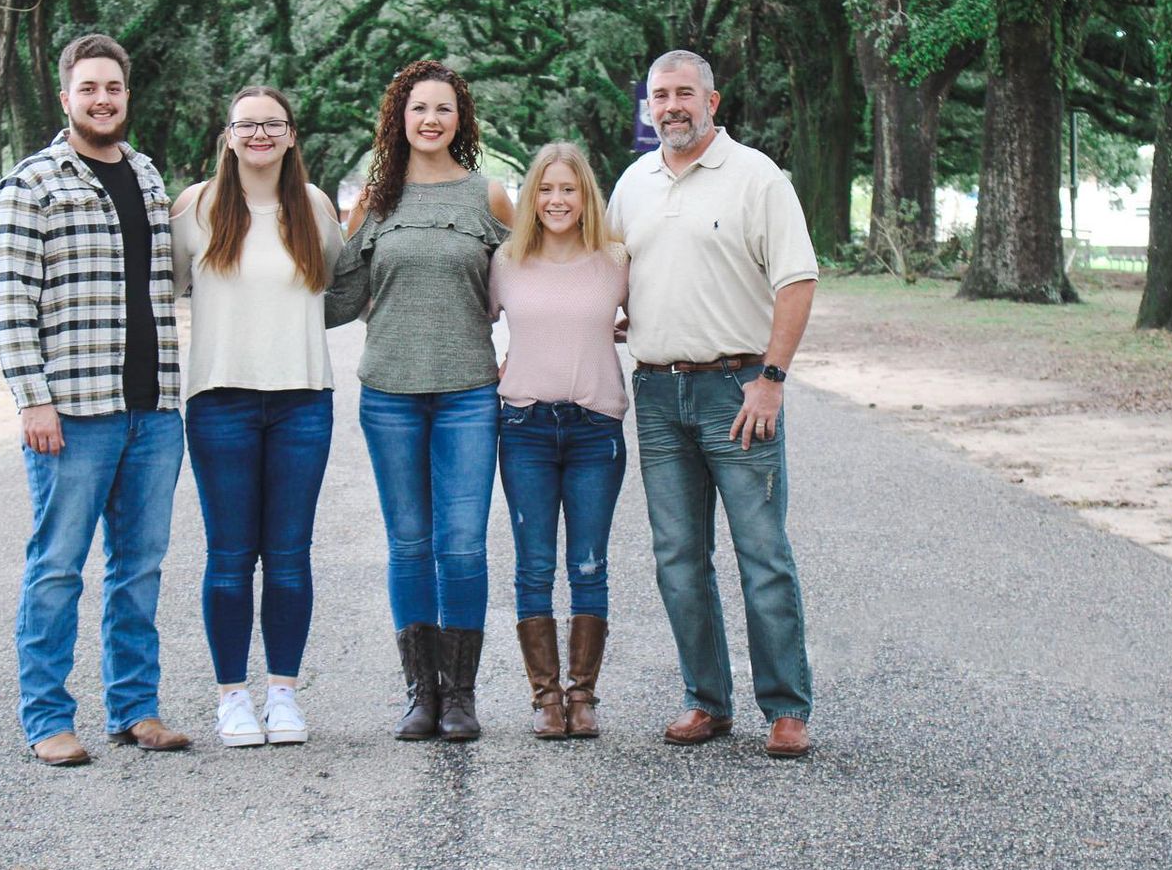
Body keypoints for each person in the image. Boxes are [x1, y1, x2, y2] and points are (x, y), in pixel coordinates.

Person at [606, 49, 820, 759]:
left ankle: (786, 707)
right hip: (659, 391)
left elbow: (797, 279)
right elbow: (611, 269)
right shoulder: (632, 182)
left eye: (683, 93)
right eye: (659, 95)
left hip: (737, 390)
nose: (670, 105)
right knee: (677, 555)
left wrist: (772, 378)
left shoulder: (756, 176)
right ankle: (706, 699)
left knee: (762, 551)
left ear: (712, 100)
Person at [0, 33, 190, 766]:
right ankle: (46, 718)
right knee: (59, 566)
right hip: (73, 411)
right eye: (89, 88)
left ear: (127, 95)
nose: (103, 99)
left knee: (139, 566)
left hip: (155, 411)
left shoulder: (148, 175)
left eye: (114, 88)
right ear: (67, 94)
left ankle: (136, 708)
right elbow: (8, 300)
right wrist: (32, 400)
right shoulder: (32, 182)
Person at [326, 60, 515, 741]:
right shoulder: (376, 201)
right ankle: (420, 693)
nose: (430, 119)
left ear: (460, 119)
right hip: (389, 396)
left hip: (468, 391)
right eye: (418, 108)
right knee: (409, 543)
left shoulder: (487, 198)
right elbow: (337, 298)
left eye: (443, 108)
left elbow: (529, 286)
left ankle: (460, 694)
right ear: (398, 119)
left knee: (461, 546)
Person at [171, 86, 345, 749]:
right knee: (229, 555)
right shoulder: (196, 208)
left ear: (292, 135)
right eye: (247, 124)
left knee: (291, 556)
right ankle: (231, 698)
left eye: (273, 124)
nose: (260, 134)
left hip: (303, 399)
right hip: (220, 402)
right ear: (228, 135)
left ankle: (283, 693)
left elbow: (338, 283)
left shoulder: (317, 208)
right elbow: (169, 284)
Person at [489, 142, 630, 739]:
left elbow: (654, 320)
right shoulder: (506, 261)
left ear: (586, 196)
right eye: (545, 190)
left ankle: (584, 694)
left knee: (589, 565)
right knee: (534, 566)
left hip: (596, 430)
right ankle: (546, 697)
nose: (556, 200)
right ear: (530, 198)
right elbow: (475, 325)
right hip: (524, 428)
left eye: (567, 189)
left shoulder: (616, 260)